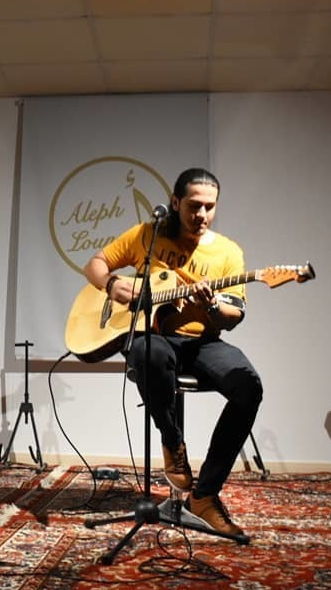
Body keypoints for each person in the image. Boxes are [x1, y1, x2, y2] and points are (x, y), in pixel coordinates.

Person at [82, 168, 261, 537]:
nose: (202, 215)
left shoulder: (228, 252)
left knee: (249, 387)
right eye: (194, 206)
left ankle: (204, 496)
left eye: (210, 207)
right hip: (155, 336)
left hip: (202, 342)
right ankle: (172, 440)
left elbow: (233, 317)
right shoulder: (147, 236)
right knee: (148, 353)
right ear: (176, 202)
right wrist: (112, 283)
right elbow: (94, 265)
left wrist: (211, 306)